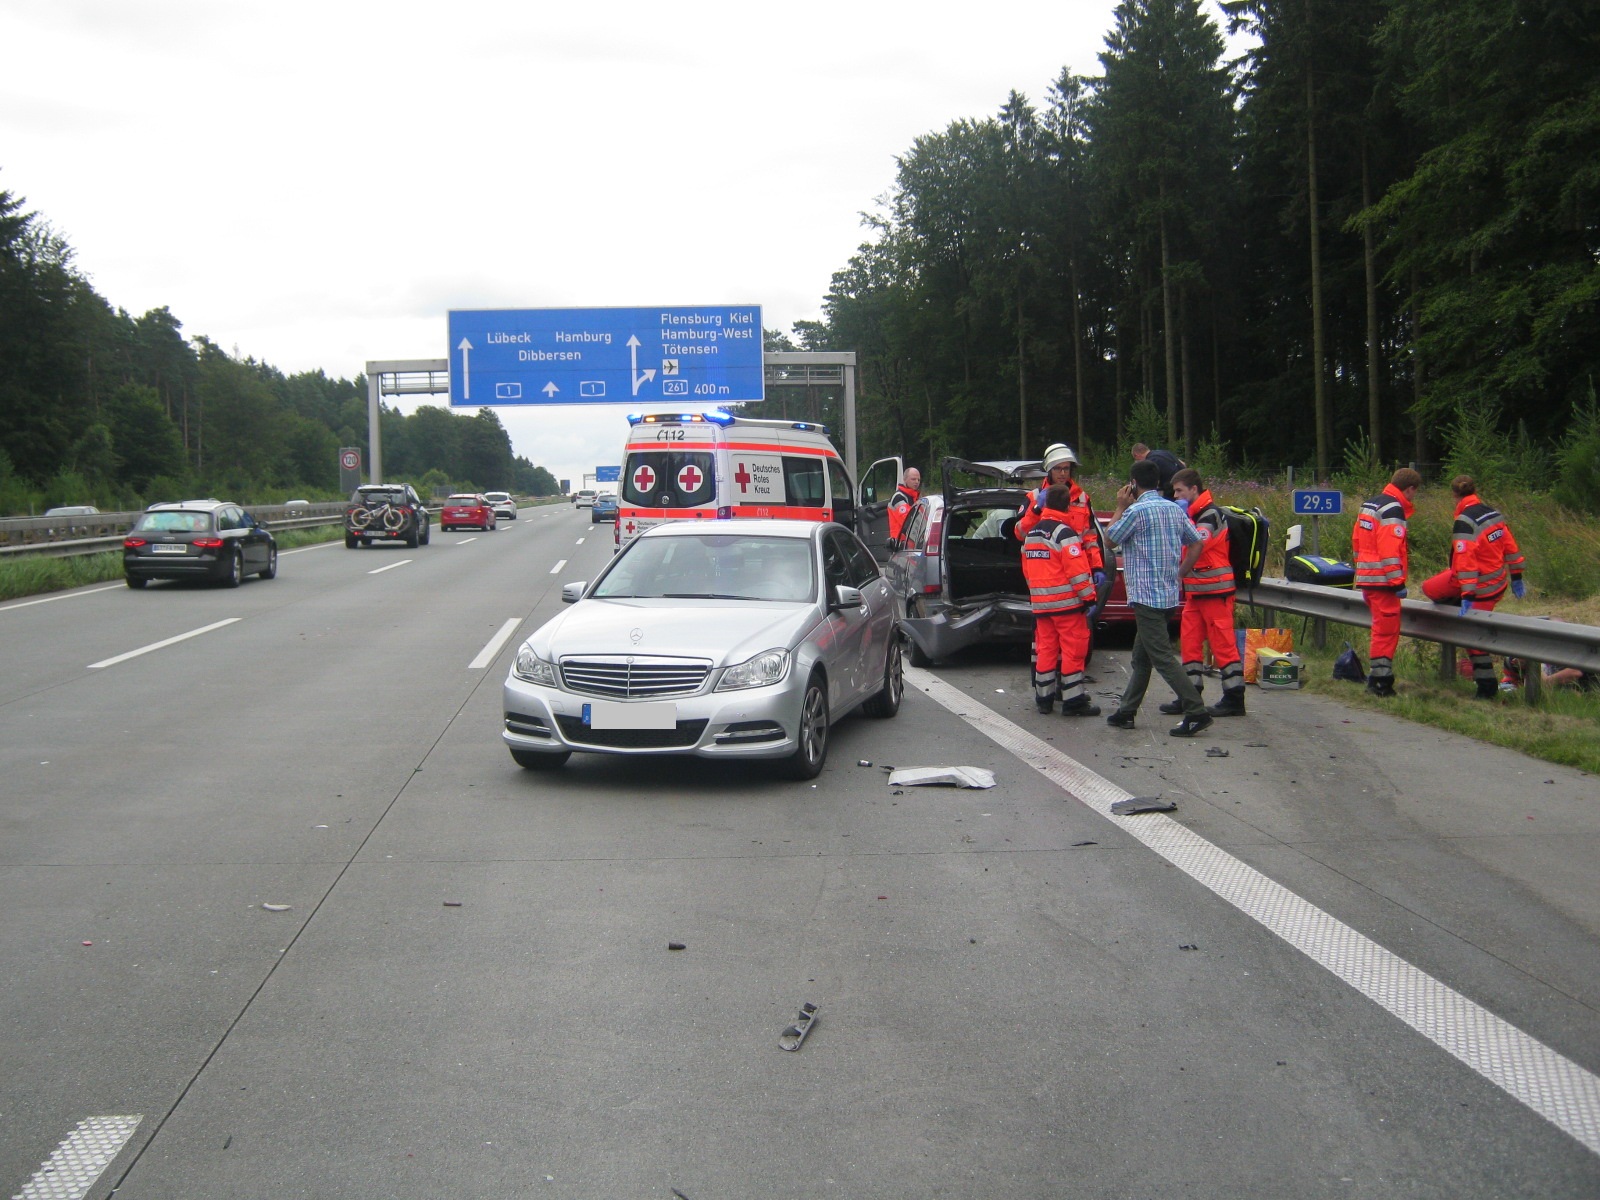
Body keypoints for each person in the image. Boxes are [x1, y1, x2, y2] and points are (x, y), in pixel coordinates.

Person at [1104, 459, 1212, 736]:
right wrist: (1181, 573)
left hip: (1145, 597)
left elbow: (1109, 540)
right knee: (1142, 658)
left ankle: (1196, 710)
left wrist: (1119, 506)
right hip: (1167, 595)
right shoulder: (1173, 509)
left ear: (1133, 483)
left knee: (1162, 657)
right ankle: (1126, 711)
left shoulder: (1136, 511)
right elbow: (1197, 542)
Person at [1420, 475, 1527, 699]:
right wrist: (1516, 575)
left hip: (1478, 587)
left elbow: (1466, 562)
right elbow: (1510, 546)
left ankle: (1486, 686)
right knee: (1434, 588)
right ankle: (1484, 681)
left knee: (1471, 634)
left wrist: (1467, 593)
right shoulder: (1493, 513)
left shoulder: (1465, 522)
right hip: (1497, 583)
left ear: (1454, 495)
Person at [1165, 468, 1246, 717]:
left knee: (1223, 646)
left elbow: (1197, 544)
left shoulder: (1210, 514)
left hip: (1215, 592)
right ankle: (1190, 696)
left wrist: (1178, 575)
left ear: (1194, 490)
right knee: (1189, 645)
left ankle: (1234, 699)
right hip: (1197, 593)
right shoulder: (1195, 514)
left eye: (1179, 490)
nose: (1176, 495)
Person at [1021, 484, 1101, 717]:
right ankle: (1073, 701)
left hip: (1041, 605)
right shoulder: (1064, 533)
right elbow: (1077, 571)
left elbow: (1027, 571)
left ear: (1044, 504)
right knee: (1073, 650)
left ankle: (1044, 699)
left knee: (1045, 650)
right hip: (1067, 605)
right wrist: (1089, 599)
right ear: (1067, 505)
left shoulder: (1032, 535)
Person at [1352, 467, 1422, 696]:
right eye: (1414, 492)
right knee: (1386, 632)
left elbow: (1357, 540)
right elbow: (1390, 550)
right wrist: (1397, 582)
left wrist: (1361, 569)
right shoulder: (1393, 509)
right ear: (1409, 489)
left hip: (1368, 578)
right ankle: (1380, 683)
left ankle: (1378, 679)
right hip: (1384, 582)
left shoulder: (1370, 504)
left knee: (1380, 630)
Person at [1012, 443, 1107, 592]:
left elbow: (1090, 538)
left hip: (1075, 568)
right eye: (1057, 468)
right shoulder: (1034, 497)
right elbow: (1020, 533)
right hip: (1044, 572)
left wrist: (1097, 567)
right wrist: (1037, 509)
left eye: (1066, 468)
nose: (1062, 473)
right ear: (1049, 470)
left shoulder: (1081, 499)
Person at [887, 467, 921, 541]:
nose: (916, 482)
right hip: (900, 543)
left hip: (910, 542)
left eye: (918, 480)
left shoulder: (914, 497)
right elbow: (908, 522)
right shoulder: (898, 497)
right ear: (905, 479)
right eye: (913, 479)